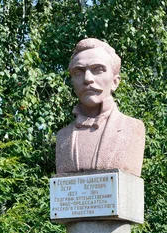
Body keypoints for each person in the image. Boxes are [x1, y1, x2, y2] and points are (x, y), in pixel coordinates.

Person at [56, 38, 145, 176]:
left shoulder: (131, 128)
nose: (87, 79)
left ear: (115, 82)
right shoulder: (63, 137)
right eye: (79, 72)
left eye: (98, 70)